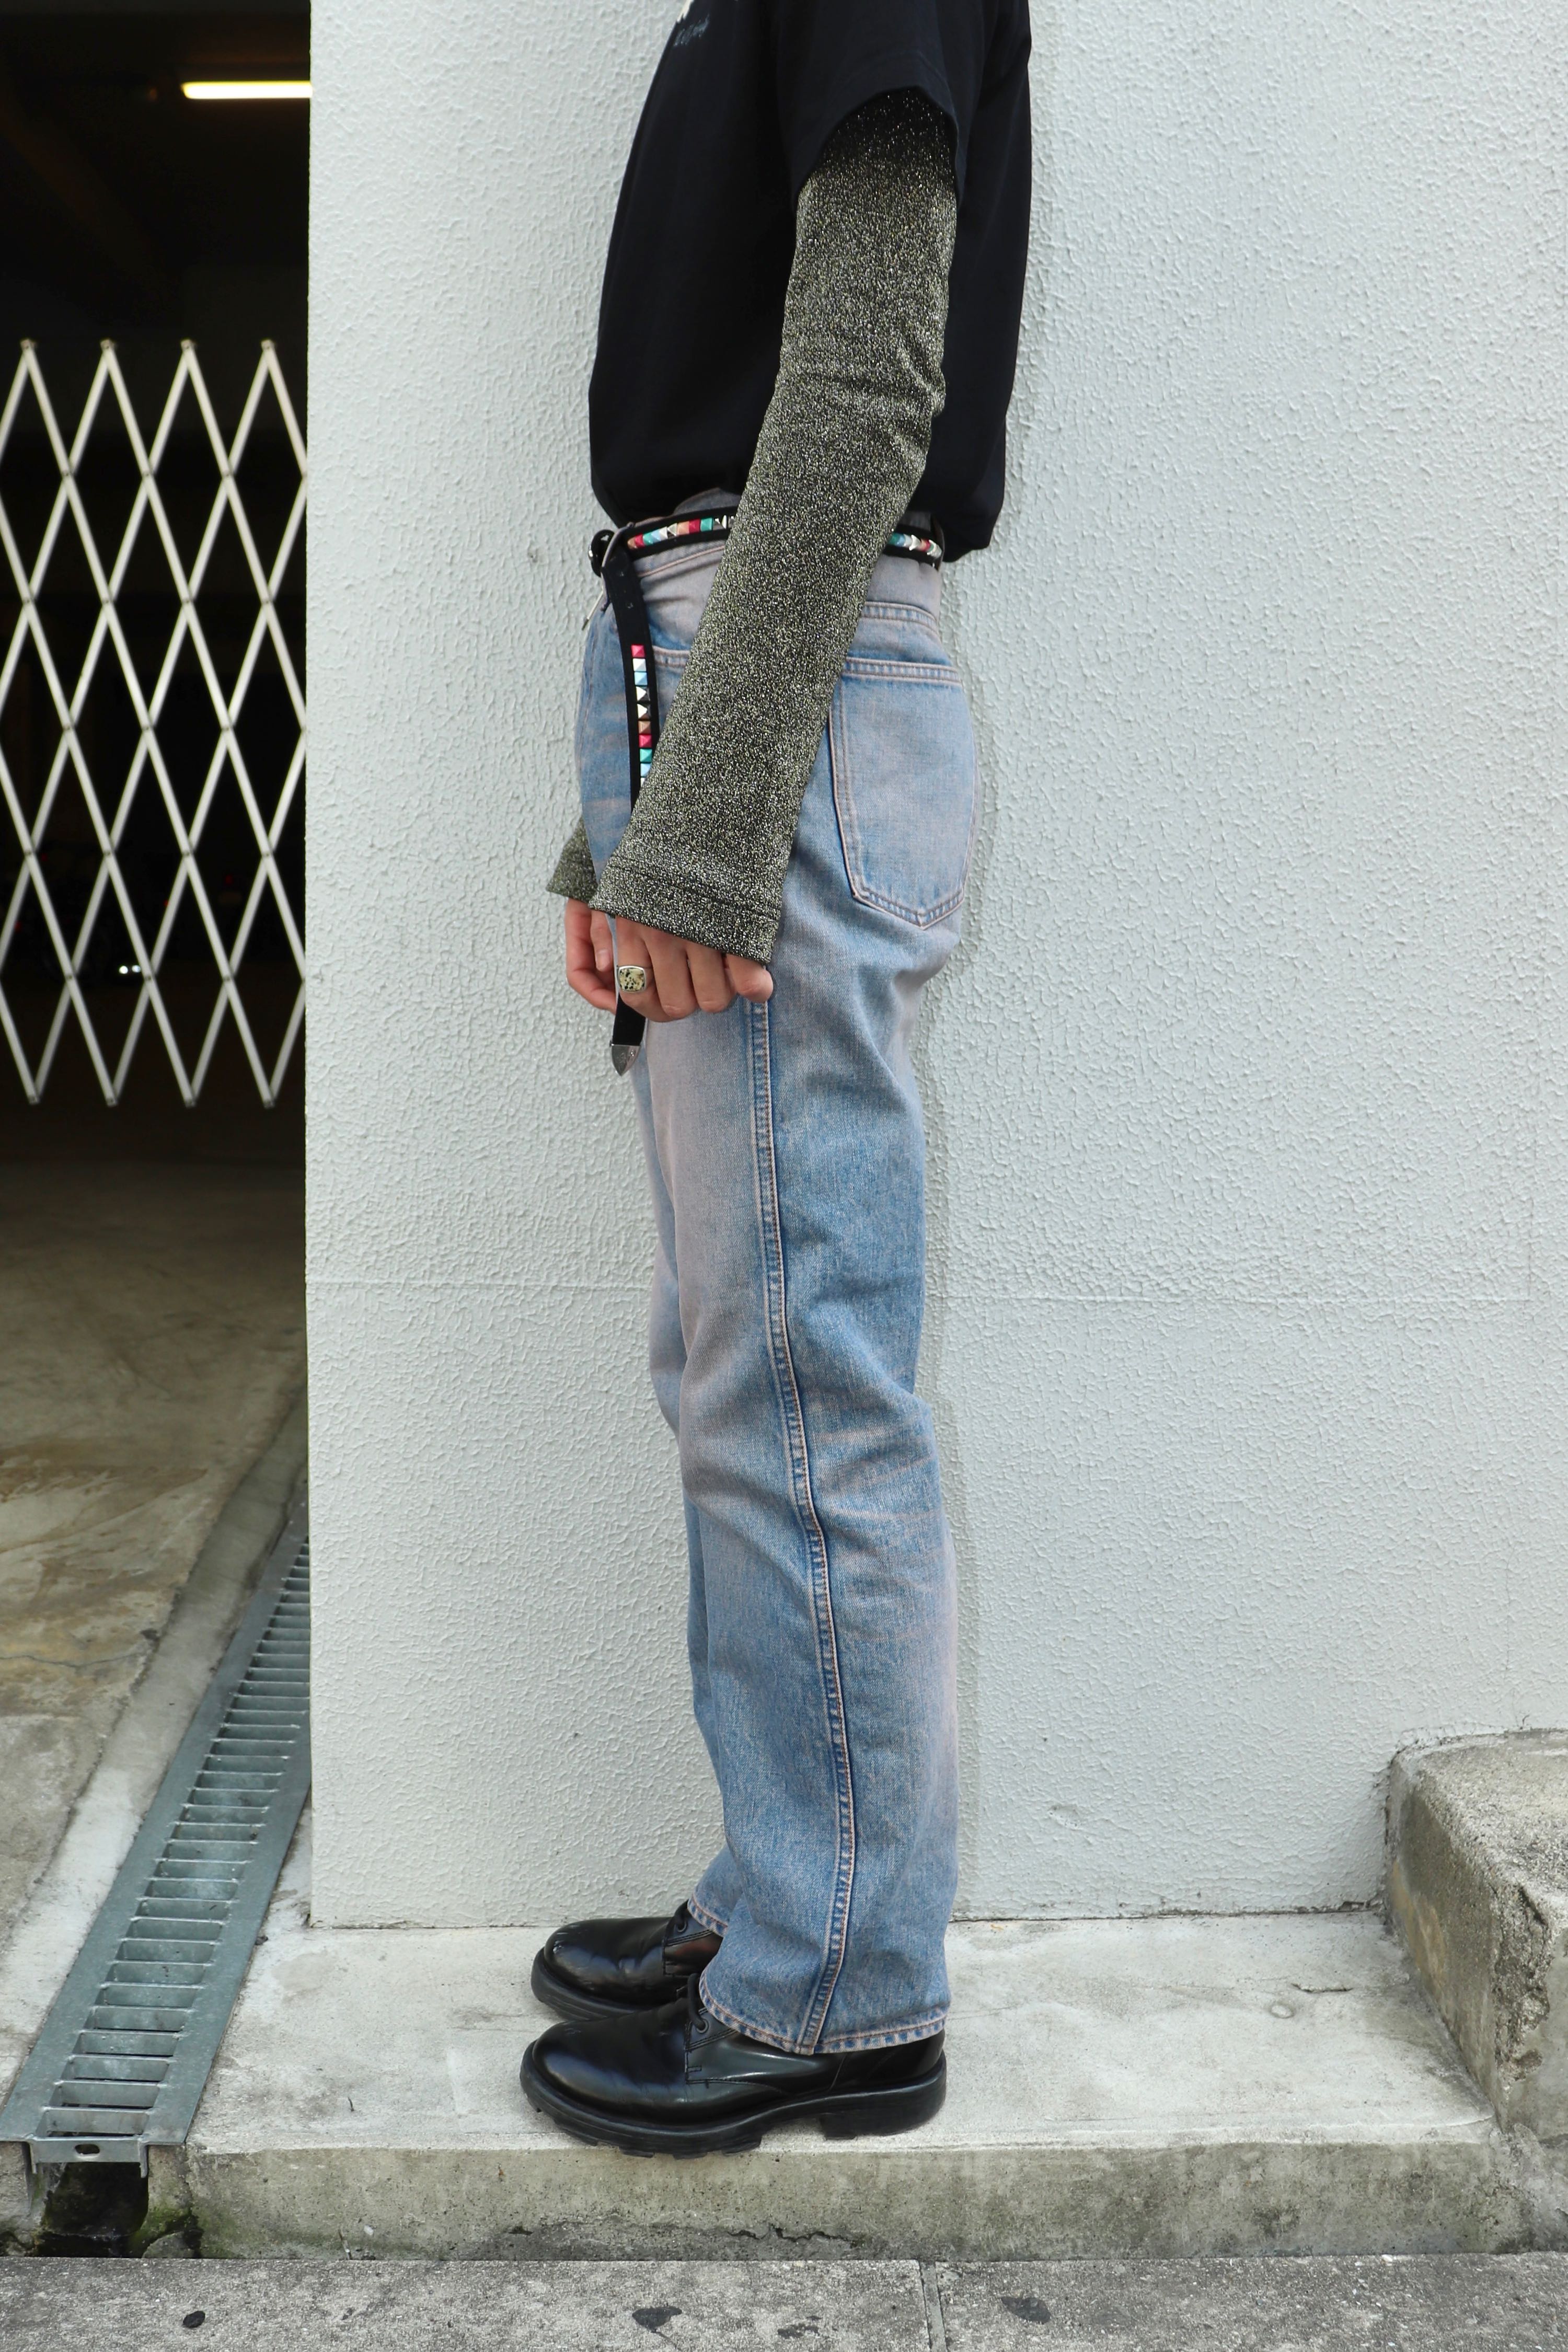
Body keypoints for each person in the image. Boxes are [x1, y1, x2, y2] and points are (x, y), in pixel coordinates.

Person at [520, 0, 1032, 2157]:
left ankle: (842, 1991)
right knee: (747, 1364)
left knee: (803, 1372)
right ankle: (787, 1893)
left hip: (778, 678)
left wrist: (709, 818)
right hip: (728, 661)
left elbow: (864, 375)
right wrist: (623, 833)